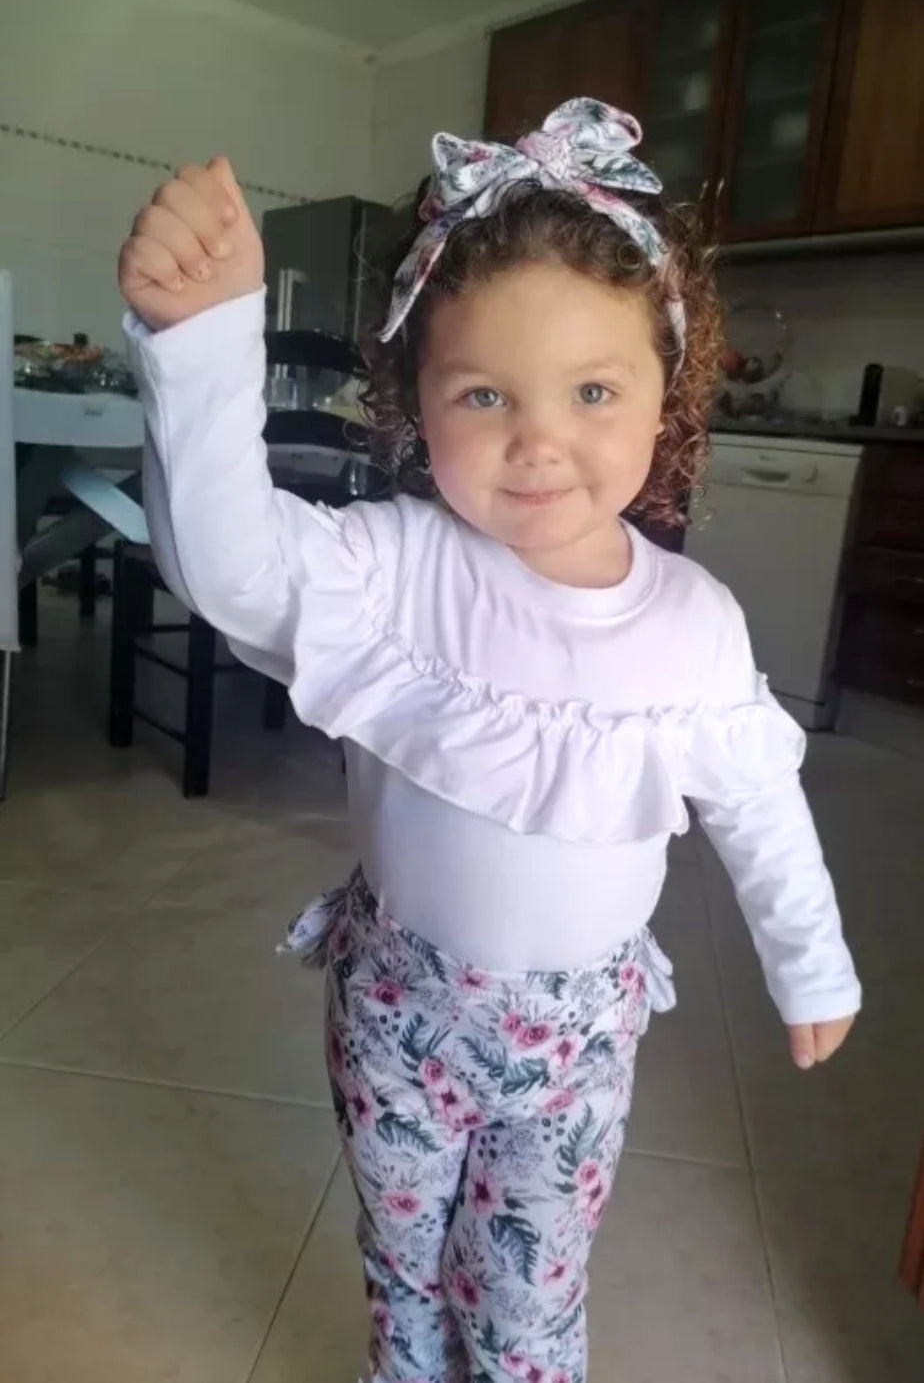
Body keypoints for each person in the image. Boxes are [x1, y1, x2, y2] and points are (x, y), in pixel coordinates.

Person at [118, 99, 860, 1383]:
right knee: (403, 1269)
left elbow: (758, 807)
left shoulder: (694, 626)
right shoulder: (393, 568)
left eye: (591, 390)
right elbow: (230, 569)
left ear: (664, 394)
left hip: (576, 1044)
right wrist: (200, 346)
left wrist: (814, 965)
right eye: (483, 392)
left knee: (527, 1298)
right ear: (417, 398)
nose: (540, 442)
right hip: (396, 1006)